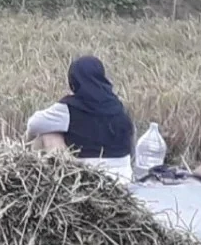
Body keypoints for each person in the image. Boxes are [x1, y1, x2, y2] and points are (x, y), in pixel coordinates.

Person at [25, 55, 135, 183]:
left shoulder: (69, 107)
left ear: (73, 81)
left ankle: (33, 180)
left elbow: (33, 124)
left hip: (87, 180)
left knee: (48, 133)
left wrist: (27, 138)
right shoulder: (118, 106)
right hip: (123, 177)